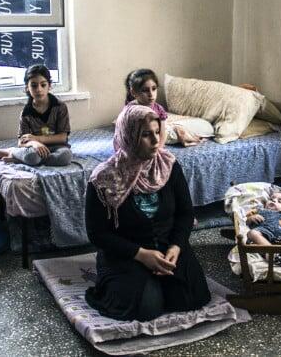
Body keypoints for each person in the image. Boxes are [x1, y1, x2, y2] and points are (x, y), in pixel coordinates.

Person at [85, 105, 211, 321]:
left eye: (156, 132)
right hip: (127, 254)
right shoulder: (104, 178)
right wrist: (141, 254)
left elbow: (185, 214)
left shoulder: (168, 166)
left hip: (166, 245)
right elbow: (97, 234)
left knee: (191, 298)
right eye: (145, 135)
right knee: (146, 307)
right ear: (129, 136)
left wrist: (176, 247)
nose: (155, 141)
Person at [0, 65, 72, 166]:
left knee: (65, 157)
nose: (38, 89)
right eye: (34, 85)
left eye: (43, 85)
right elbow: (22, 142)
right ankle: (12, 152)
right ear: (27, 88)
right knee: (32, 157)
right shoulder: (26, 113)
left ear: (49, 86)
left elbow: (62, 138)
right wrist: (34, 143)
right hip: (35, 149)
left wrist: (37, 138)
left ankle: (18, 158)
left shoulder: (60, 107)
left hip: (57, 147)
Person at [123, 69, 203, 147]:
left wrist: (158, 149)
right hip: (138, 146)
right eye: (145, 90)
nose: (151, 94)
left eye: (154, 89)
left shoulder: (158, 109)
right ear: (133, 92)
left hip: (158, 137)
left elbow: (162, 134)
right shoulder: (131, 109)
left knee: (179, 131)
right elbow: (126, 134)